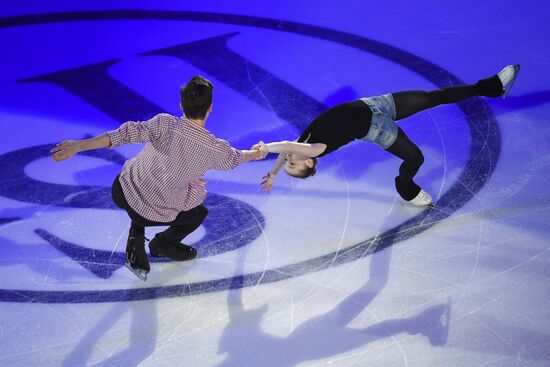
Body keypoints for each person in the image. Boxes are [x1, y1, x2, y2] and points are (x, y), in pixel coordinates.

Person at [51, 76, 267, 281]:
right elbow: (236, 158)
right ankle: (162, 245)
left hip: (121, 191)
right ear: (210, 107)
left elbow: (123, 135)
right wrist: (257, 153)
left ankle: (136, 232)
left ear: (181, 106)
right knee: (198, 213)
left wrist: (80, 145)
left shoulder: (164, 123)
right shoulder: (214, 148)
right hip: (152, 213)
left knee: (146, 175)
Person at [256, 65, 520, 206]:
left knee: (431, 98)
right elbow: (286, 146)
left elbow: (287, 149)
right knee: (415, 159)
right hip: (377, 129)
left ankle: (492, 86)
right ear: (309, 162)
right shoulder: (315, 149)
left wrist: (274, 173)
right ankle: (405, 186)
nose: (289, 158)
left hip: (375, 105)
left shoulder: (301, 145)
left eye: (288, 160)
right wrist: (266, 148)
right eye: (294, 163)